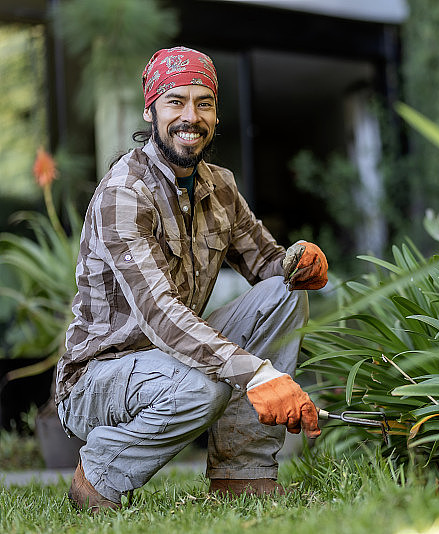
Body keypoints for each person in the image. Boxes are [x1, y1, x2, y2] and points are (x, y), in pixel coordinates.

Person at [55, 46, 328, 512]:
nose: (191, 116)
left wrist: (298, 263)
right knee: (206, 386)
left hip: (173, 358)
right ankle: (98, 477)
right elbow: (161, 315)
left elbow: (266, 264)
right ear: (151, 110)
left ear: (216, 115)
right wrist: (260, 374)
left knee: (284, 296)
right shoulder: (125, 192)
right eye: (175, 101)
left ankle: (241, 474)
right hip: (98, 378)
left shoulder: (220, 186)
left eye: (204, 103)